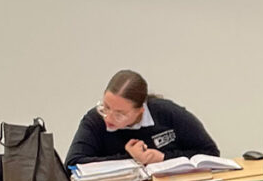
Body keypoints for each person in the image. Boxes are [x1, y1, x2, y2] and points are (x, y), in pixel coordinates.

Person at [65, 70, 220, 169]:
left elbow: (210, 153)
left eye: (120, 114)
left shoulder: (168, 113)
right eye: (105, 107)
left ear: (140, 111)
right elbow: (73, 163)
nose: (109, 117)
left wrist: (163, 158)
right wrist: (132, 159)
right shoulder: (95, 120)